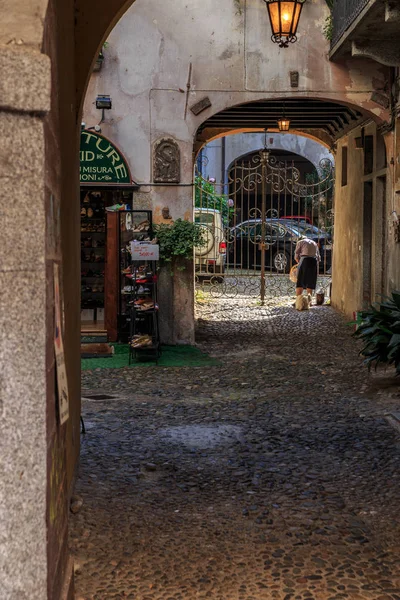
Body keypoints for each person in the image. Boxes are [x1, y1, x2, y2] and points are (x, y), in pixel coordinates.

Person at [294, 236, 320, 304]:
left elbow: (296, 256)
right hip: (314, 261)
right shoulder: (314, 243)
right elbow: (318, 257)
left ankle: (298, 301)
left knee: (300, 280)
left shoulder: (300, 242)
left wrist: (299, 265)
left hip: (304, 260)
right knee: (310, 281)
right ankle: (309, 301)